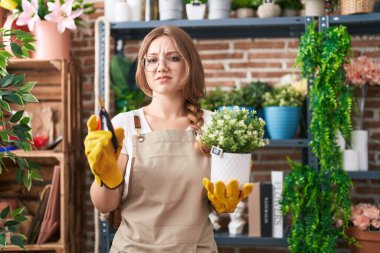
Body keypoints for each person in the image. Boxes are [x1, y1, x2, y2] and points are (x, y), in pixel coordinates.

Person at [84, 26, 253, 252]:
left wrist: (227, 201)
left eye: (173, 58)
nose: (160, 67)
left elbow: (221, 202)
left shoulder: (214, 126)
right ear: (143, 68)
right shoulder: (124, 125)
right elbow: (104, 205)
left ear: (189, 64)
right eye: (151, 60)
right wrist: (104, 176)